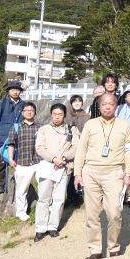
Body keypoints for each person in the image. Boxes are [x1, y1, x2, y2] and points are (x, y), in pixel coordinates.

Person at [73, 93, 130, 259]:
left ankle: (114, 247)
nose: (107, 107)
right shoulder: (90, 124)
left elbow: (129, 151)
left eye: (111, 104)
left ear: (116, 106)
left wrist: (128, 173)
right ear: (99, 107)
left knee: (114, 212)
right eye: (104, 104)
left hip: (114, 172)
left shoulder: (124, 125)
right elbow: (81, 150)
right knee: (92, 214)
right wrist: (77, 173)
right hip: (91, 171)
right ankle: (95, 250)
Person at [34, 103, 79, 241]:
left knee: (59, 198)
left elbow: (76, 147)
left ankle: (53, 226)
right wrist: (54, 159)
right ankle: (40, 228)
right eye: (55, 114)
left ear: (64, 115)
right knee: (43, 198)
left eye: (60, 114)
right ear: (51, 114)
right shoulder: (43, 129)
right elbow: (40, 148)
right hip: (48, 167)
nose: (57, 117)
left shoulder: (71, 129)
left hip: (64, 168)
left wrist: (64, 158)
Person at [7, 101, 40, 221]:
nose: (29, 112)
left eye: (31, 110)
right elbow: (11, 144)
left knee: (44, 186)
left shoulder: (40, 127)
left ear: (35, 112)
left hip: (39, 161)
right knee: (21, 190)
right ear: (22, 112)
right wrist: (11, 159)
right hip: (22, 162)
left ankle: (45, 208)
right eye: (26, 110)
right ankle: (21, 212)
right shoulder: (16, 127)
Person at [0, 80, 24, 194]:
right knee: (2, 161)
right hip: (4, 137)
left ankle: (18, 183)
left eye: (17, 90)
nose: (15, 92)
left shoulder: (23, 104)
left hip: (18, 136)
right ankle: (0, 185)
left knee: (18, 160)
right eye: (13, 90)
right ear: (8, 91)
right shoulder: (2, 103)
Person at [66, 94, 89, 206]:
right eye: (74, 101)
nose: (77, 103)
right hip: (70, 146)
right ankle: (70, 196)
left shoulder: (87, 116)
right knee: (70, 172)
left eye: (79, 101)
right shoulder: (68, 116)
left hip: (83, 145)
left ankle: (80, 196)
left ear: (82, 103)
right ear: (71, 103)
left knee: (81, 171)